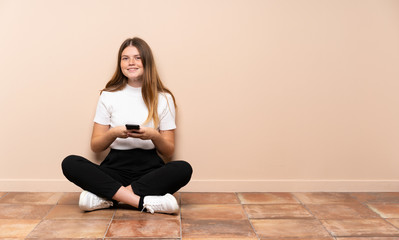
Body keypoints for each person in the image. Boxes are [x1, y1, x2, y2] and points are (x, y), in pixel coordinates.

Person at [61, 37, 192, 214]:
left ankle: (106, 199)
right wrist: (113, 133)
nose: (131, 62)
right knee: (70, 163)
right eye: (125, 58)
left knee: (183, 168)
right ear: (120, 63)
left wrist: (153, 135)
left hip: (149, 170)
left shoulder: (164, 98)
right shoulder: (108, 95)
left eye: (137, 57)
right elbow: (96, 147)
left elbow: (168, 151)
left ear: (147, 61)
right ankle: (143, 202)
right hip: (114, 168)